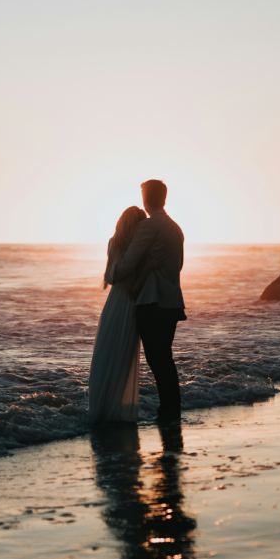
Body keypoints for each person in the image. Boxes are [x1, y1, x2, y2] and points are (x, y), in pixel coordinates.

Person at [112, 179, 185, 421]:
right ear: (164, 198)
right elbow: (179, 265)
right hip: (173, 302)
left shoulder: (148, 227)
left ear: (145, 200)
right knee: (165, 358)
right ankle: (171, 409)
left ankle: (168, 411)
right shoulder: (176, 228)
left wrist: (115, 266)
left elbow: (125, 266)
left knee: (157, 360)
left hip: (152, 303)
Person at [89, 206, 160, 422]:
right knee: (121, 360)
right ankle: (113, 412)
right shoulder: (132, 252)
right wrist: (147, 268)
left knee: (107, 355)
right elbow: (132, 289)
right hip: (127, 307)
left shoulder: (113, 243)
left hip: (113, 304)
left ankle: (101, 408)